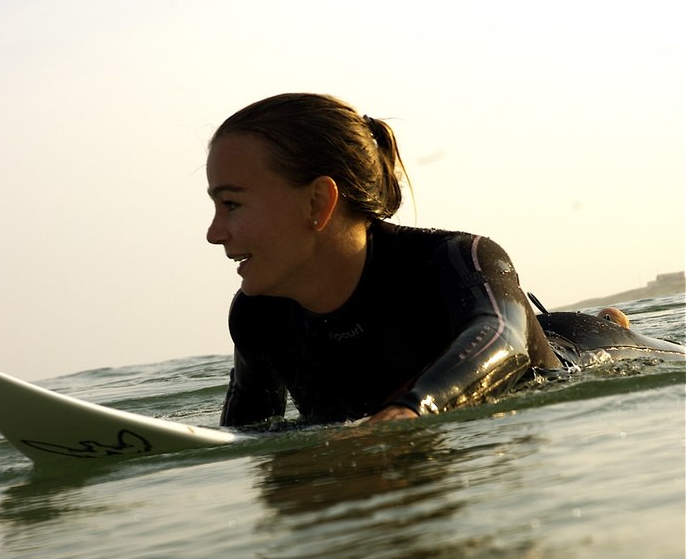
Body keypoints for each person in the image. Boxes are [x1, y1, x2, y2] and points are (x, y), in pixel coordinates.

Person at [206, 93, 683, 428]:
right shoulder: (258, 315)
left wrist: (412, 410)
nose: (213, 233)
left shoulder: (455, 258)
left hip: (591, 351)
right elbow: (248, 433)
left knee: (576, 336)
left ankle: (611, 320)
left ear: (317, 203)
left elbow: (505, 339)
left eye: (231, 204)